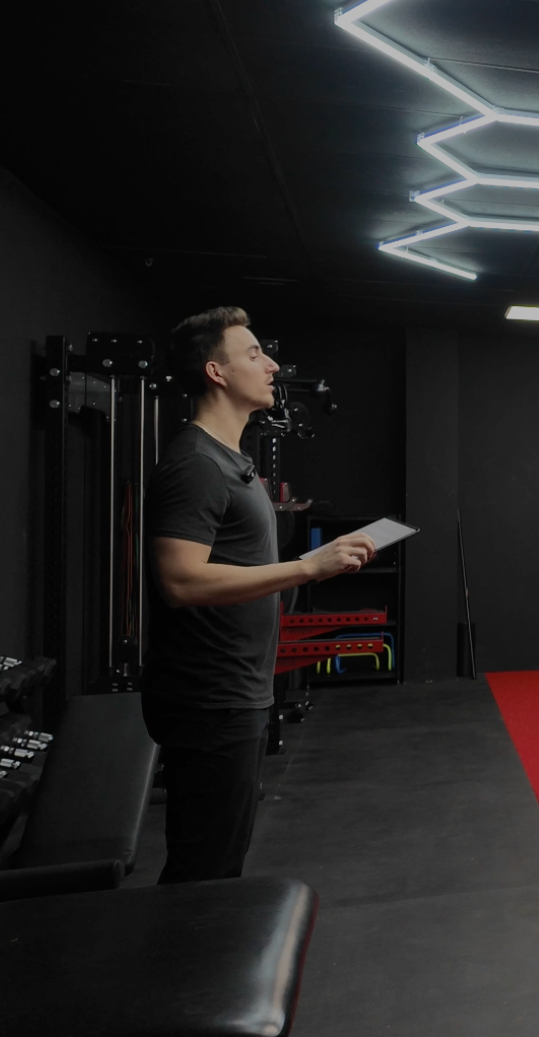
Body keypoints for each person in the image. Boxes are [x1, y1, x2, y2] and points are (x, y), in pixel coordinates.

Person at [146, 306, 375, 882]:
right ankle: (181, 968)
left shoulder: (229, 459)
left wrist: (319, 564)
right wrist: (304, 568)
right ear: (216, 372)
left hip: (236, 690)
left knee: (220, 859)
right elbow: (180, 580)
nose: (271, 364)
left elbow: (234, 565)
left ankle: (196, 960)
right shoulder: (196, 463)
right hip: (209, 697)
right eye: (253, 354)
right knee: (204, 868)